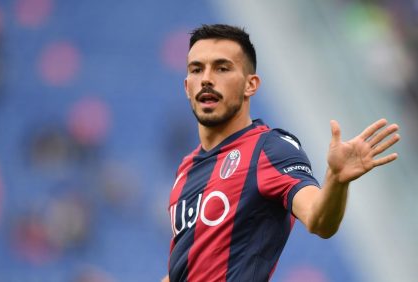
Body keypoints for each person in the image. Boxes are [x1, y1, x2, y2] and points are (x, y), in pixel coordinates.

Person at [163, 24, 400, 282]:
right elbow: (187, 271)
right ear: (187, 86)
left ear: (250, 85)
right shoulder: (186, 168)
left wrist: (336, 180)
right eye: (197, 69)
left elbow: (319, 220)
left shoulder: (271, 149)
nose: (206, 79)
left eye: (222, 68)